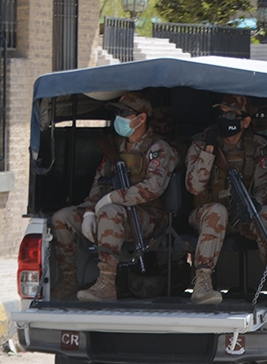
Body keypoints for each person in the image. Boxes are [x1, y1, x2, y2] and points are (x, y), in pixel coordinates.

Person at [50, 92, 179, 302]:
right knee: (61, 218)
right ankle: (68, 281)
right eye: (118, 112)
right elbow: (99, 182)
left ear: (142, 118)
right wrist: (91, 210)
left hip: (151, 215)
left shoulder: (159, 149)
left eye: (125, 113)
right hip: (115, 213)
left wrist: (111, 199)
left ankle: (106, 283)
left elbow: (153, 188)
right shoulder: (114, 148)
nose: (119, 116)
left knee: (110, 212)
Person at [185, 94, 267, 305]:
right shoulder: (201, 144)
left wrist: (255, 201)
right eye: (222, 114)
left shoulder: (256, 146)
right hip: (205, 216)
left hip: (241, 216)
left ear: (245, 121)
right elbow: (194, 186)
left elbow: (266, 184)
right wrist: (209, 150)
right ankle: (202, 283)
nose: (224, 118)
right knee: (217, 211)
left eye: (231, 115)